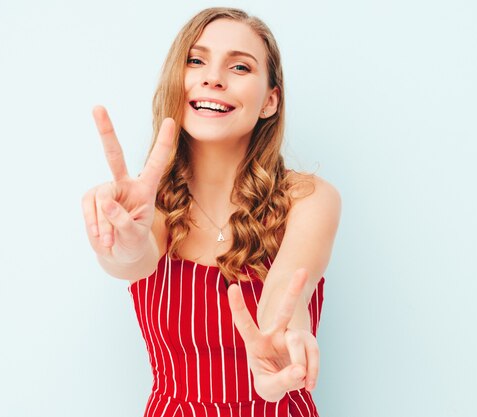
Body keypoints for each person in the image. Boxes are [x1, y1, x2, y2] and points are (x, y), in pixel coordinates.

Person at [81, 7, 341, 417]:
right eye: (196, 60)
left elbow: (287, 293)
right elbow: (134, 257)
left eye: (240, 66)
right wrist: (121, 246)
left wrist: (279, 345)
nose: (213, 77)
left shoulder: (308, 198)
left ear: (270, 100)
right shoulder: (153, 210)